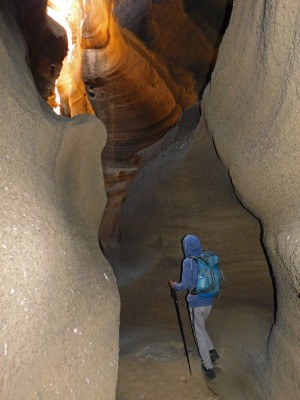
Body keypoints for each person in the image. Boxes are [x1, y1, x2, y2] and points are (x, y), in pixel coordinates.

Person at [169, 234, 219, 380]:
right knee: (201, 327)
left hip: (196, 303)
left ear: (186, 247)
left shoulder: (188, 262)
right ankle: (212, 352)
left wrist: (174, 286)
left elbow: (185, 285)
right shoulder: (206, 259)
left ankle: (208, 368)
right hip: (209, 300)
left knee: (199, 334)